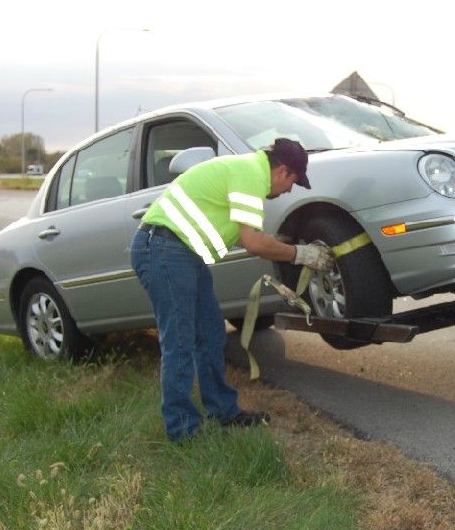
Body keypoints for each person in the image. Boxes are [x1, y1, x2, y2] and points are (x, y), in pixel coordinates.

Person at [129, 137, 334, 442]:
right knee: (180, 343)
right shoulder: (250, 174)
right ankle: (183, 431)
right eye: (293, 182)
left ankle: (223, 411)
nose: (289, 190)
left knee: (210, 333)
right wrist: (301, 254)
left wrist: (279, 244)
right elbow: (253, 243)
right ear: (283, 171)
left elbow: (246, 234)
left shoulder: (246, 171)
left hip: (180, 253)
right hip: (163, 250)